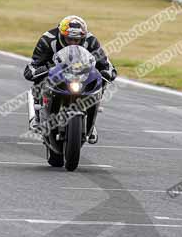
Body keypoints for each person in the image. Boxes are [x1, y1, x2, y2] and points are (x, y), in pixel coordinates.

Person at [23, 15, 117, 144]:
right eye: (69, 39)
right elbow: (32, 67)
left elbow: (107, 66)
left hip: (80, 76)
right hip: (55, 74)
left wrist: (106, 73)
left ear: (82, 38)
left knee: (100, 80)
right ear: (62, 36)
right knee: (39, 79)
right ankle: (38, 115)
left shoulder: (91, 41)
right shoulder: (48, 39)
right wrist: (44, 69)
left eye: (77, 40)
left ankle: (91, 118)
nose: (73, 42)